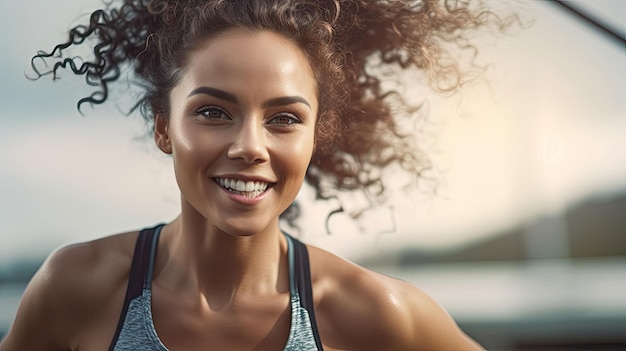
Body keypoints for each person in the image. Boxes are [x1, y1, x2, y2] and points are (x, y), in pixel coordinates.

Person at [1, 0, 514, 350]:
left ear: (316, 137)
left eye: (284, 119)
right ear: (163, 128)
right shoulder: (76, 287)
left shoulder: (377, 313)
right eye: (213, 112)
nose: (250, 146)